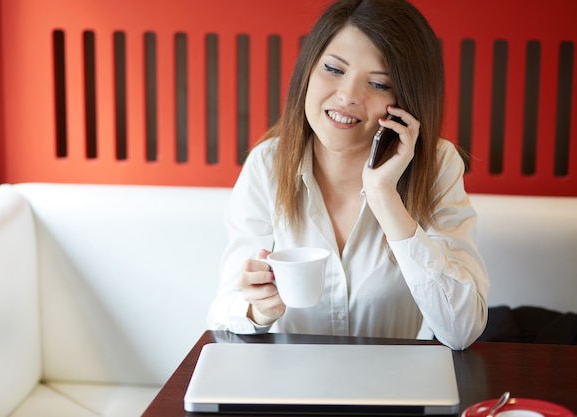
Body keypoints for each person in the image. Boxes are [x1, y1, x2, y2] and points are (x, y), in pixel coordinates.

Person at [207, 0, 489, 350]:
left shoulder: (437, 164)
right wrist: (257, 309)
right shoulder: (267, 164)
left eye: (379, 84)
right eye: (334, 69)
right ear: (308, 70)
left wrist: (385, 197)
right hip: (292, 387)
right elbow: (223, 310)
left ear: (407, 100)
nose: (347, 96)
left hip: (389, 390)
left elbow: (462, 330)